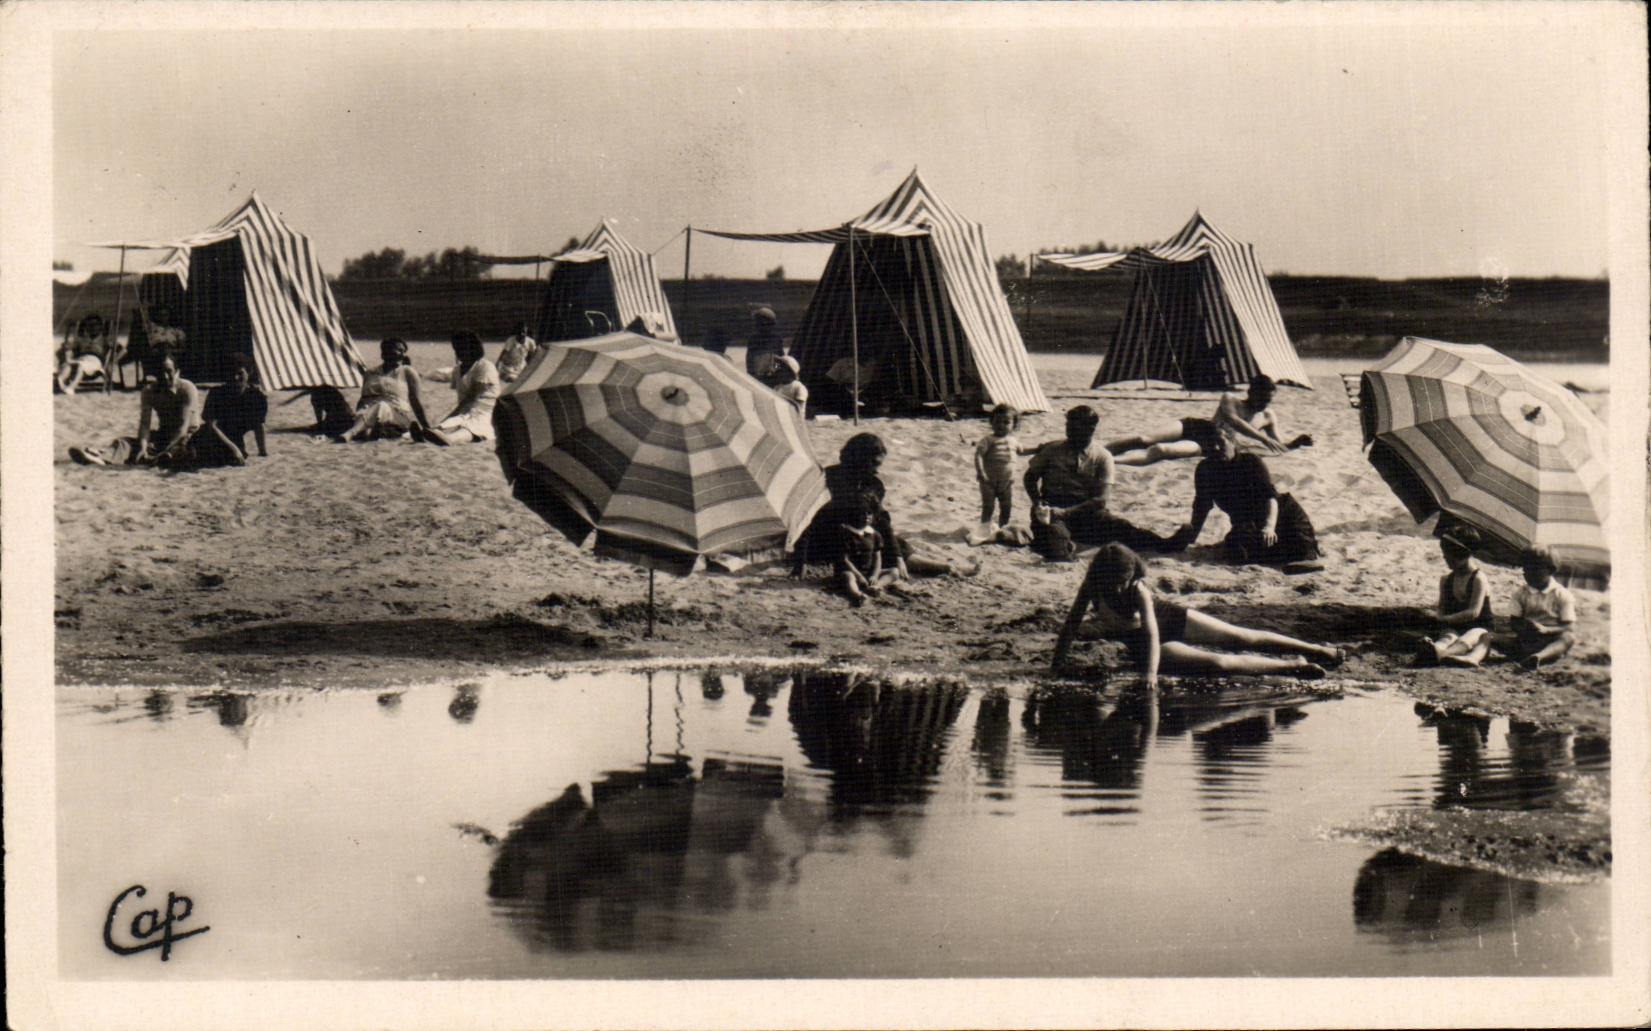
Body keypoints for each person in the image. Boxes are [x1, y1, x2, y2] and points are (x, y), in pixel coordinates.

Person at [1052, 543, 1343, 687]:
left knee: (1240, 635)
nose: (1116, 588)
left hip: (1167, 619)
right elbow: (1070, 627)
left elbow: (1153, 629)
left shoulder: (1138, 589)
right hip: (1143, 643)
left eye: (1122, 582)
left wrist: (1150, 677)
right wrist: (1056, 666)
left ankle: (1316, 649)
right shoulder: (1092, 586)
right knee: (1219, 663)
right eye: (1111, 582)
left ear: (1132, 577)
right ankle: (1292, 666)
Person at [1023, 405, 1178, 562]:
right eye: (1068, 425)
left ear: (1091, 429)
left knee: (1123, 527)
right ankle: (1065, 547)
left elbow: (1101, 500)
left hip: (1085, 511)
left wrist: (1066, 512)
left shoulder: (1102, 456)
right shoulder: (1052, 450)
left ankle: (1166, 544)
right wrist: (1038, 502)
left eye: (1074, 426)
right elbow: (1029, 478)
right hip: (1052, 509)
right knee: (1055, 542)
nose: (1068, 431)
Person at [819, 432, 974, 579]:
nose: (877, 470)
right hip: (831, 541)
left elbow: (881, 521)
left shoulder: (873, 484)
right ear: (859, 458)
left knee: (891, 540)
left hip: (858, 534)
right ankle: (941, 568)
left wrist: (897, 556)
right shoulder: (828, 477)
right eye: (873, 464)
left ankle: (945, 567)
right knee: (871, 543)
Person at [1162, 439, 1322, 568]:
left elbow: (1270, 498)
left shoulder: (1251, 462)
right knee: (1237, 553)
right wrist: (1191, 537)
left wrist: (1269, 527)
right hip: (1247, 523)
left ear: (1233, 443)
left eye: (1222, 443)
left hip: (1281, 513)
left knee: (1301, 550)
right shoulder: (1205, 469)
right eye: (1212, 444)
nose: (1217, 448)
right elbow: (1202, 506)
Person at [1107, 375, 1313, 467]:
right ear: (1251, 392)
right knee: (1145, 438)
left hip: (1211, 441)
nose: (1264, 405)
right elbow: (1234, 421)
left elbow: (1278, 445)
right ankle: (1102, 451)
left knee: (1162, 450)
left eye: (1269, 400)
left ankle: (1112, 462)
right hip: (1197, 425)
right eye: (1262, 399)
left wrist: (1296, 442)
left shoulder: (1268, 416)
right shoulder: (1230, 399)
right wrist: (1261, 437)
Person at [1439, 546, 1577, 670]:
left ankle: (1538, 657)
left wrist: (1547, 630)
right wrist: (1522, 628)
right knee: (1487, 636)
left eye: (1534, 570)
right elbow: (1514, 621)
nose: (1528, 574)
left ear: (1551, 570)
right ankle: (1474, 657)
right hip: (1525, 641)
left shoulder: (1561, 595)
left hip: (1549, 642)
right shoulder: (1521, 593)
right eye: (1525, 570)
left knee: (1568, 638)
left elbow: (1569, 626)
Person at [67, 355, 199, 467]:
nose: (165, 376)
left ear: (177, 372)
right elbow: (145, 425)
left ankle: (161, 457)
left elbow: (183, 427)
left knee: (179, 451)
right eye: (160, 372)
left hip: (187, 435)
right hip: (163, 434)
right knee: (124, 443)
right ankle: (102, 457)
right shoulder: (149, 391)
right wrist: (142, 447)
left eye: (169, 371)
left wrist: (165, 449)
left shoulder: (187, 389)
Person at [164, 354, 268, 469]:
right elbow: (212, 426)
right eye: (231, 373)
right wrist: (233, 448)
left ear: (249, 373)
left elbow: (259, 425)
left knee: (234, 459)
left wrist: (262, 452)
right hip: (212, 436)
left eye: (240, 373)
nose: (235, 378)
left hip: (234, 439)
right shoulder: (217, 393)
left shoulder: (257, 397)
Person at [1413, 526, 1495, 665]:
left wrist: (1444, 618)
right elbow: (1442, 607)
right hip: (1454, 625)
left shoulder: (1478, 578)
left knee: (1473, 634)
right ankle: (1435, 648)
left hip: (1479, 626)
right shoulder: (1446, 580)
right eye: (1446, 554)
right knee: (1448, 635)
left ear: (1465, 554)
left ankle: (1441, 654)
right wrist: (1438, 615)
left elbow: (1473, 613)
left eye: (1452, 556)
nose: (1446, 558)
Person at [337, 338, 430, 442]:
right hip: (368, 412)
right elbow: (363, 399)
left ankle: (351, 433)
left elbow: (416, 402)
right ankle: (370, 432)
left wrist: (427, 427)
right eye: (399, 350)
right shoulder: (370, 373)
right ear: (385, 352)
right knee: (369, 413)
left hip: (397, 414)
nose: (402, 355)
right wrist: (358, 413)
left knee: (381, 406)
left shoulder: (408, 372)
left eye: (404, 351)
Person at [417, 330, 499, 446]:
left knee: (469, 428)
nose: (458, 352)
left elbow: (472, 398)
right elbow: (463, 401)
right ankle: (427, 435)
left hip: (484, 412)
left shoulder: (485, 367)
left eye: (462, 348)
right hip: (465, 410)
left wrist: (451, 416)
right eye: (456, 349)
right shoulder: (457, 370)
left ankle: (449, 439)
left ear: (472, 347)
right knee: (446, 425)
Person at [971, 403, 1035, 545]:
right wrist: (981, 472)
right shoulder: (988, 440)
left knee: (1006, 506)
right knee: (988, 506)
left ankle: (1002, 528)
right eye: (997, 421)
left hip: (1007, 481)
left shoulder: (1013, 441)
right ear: (991, 422)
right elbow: (979, 455)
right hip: (988, 480)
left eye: (1006, 422)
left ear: (1014, 424)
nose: (1001, 425)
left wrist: (1037, 449)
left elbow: (1022, 451)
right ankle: (984, 529)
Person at [55, 314, 112, 393]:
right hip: (81, 359)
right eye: (90, 325)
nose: (92, 327)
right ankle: (60, 381)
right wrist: (65, 347)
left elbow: (122, 350)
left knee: (81, 366)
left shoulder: (104, 340)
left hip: (94, 361)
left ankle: (71, 387)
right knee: (69, 365)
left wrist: (112, 362)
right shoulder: (82, 339)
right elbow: (67, 347)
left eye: (95, 325)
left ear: (100, 327)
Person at [744, 307, 784, 384]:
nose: (757, 325)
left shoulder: (776, 339)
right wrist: (752, 375)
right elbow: (749, 361)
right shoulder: (753, 339)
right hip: (757, 378)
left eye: (759, 323)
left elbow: (780, 360)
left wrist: (774, 372)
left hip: (772, 378)